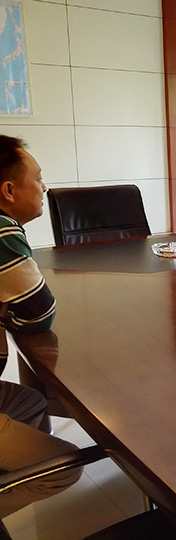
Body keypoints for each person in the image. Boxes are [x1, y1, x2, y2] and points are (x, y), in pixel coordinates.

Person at [0, 135, 81, 519]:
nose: (44, 186)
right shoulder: (2, 231)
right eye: (38, 177)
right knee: (63, 466)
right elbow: (38, 313)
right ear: (9, 190)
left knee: (30, 402)